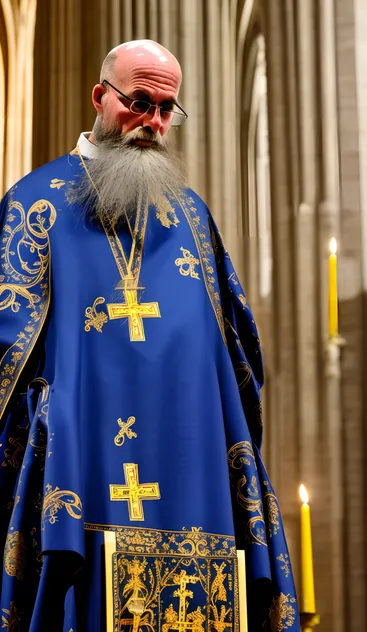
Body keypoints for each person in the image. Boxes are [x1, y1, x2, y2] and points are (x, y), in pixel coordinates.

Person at [0, 40, 299, 631]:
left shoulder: (191, 215)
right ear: (99, 97)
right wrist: (46, 416)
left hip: (198, 496)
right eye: (139, 102)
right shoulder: (34, 206)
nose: (153, 123)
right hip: (83, 482)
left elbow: (236, 357)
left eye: (167, 109)